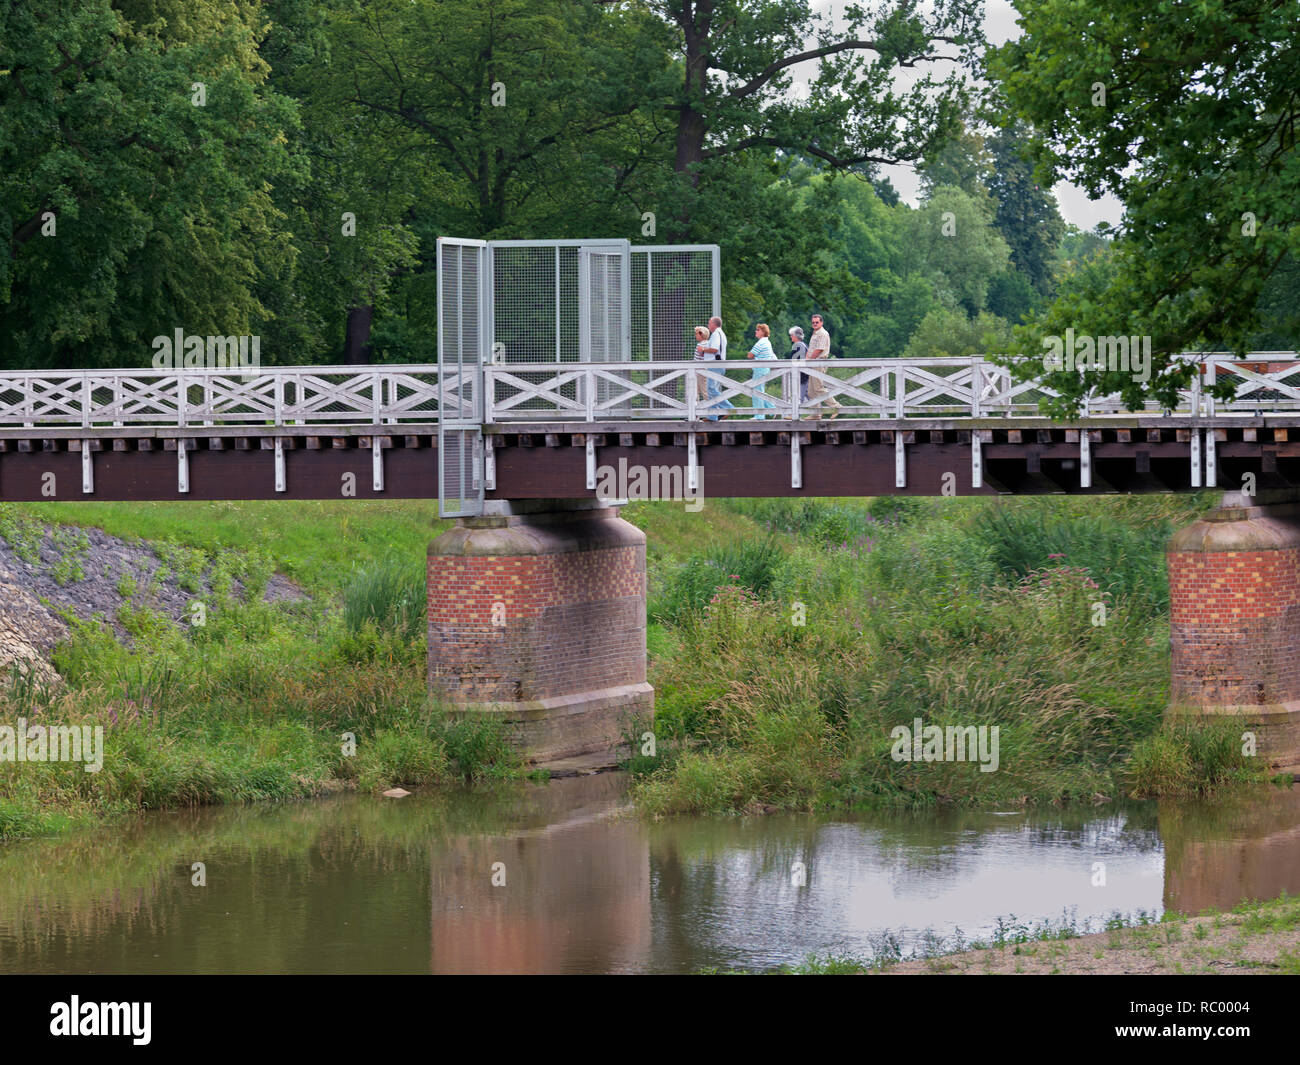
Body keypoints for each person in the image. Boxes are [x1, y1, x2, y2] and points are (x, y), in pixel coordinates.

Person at [696, 315, 732, 420]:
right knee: (711, 390)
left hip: (715, 365)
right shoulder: (720, 334)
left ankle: (727, 407)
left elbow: (714, 349)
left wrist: (702, 349)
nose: (708, 325)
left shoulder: (716, 334)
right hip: (717, 365)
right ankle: (713, 415)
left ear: (713, 324)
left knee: (711, 389)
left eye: (709, 323)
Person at [804, 313, 839, 419]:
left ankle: (836, 407)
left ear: (821, 322)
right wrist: (807, 359)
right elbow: (811, 349)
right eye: (813, 322)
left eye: (817, 322)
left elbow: (819, 349)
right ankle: (816, 413)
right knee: (811, 390)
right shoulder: (815, 333)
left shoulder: (822, 333)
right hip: (813, 363)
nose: (814, 324)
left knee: (818, 388)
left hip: (818, 362)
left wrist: (809, 359)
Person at [746, 324, 777, 418]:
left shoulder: (761, 342)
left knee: (756, 392)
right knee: (759, 391)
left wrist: (753, 355)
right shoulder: (767, 342)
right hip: (764, 369)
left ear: (763, 332)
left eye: (758, 330)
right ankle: (772, 410)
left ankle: (759, 416)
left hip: (760, 369)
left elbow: (750, 355)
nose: (756, 331)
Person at [788, 325, 808, 410]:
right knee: (807, 394)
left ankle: (795, 414)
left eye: (791, 335)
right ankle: (818, 413)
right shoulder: (804, 344)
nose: (790, 337)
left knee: (799, 396)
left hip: (801, 375)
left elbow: (796, 361)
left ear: (796, 336)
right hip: (805, 374)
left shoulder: (798, 345)